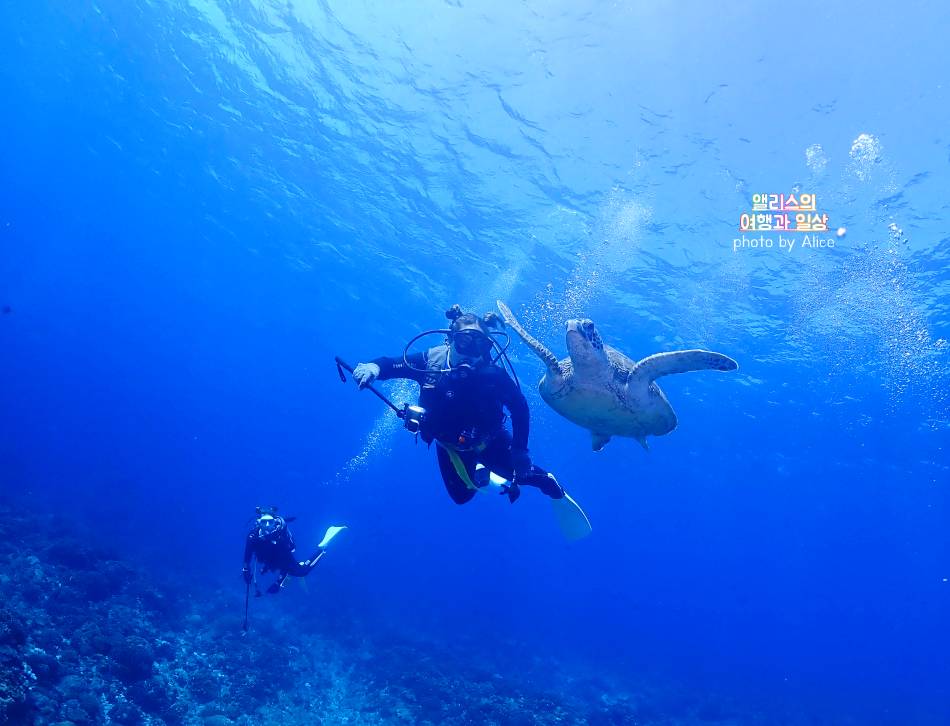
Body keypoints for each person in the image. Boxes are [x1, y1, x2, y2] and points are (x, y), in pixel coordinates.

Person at [352, 305, 565, 505]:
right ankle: (484, 472)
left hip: (489, 441)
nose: (471, 352)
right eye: (464, 342)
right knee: (461, 498)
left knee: (524, 476)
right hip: (449, 445)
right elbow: (390, 364)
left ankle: (548, 481)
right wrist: (373, 368)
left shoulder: (494, 376)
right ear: (451, 339)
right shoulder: (431, 362)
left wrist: (520, 451)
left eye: (480, 345)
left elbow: (520, 408)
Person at [242, 507, 324, 595]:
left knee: (302, 572)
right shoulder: (252, 537)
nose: (267, 525)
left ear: (274, 523)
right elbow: (247, 556)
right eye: (263, 522)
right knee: (267, 562)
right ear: (258, 523)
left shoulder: (280, 539)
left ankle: (323, 549)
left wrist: (278, 583)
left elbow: (285, 563)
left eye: (270, 522)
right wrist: (245, 570)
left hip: (281, 557)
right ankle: (269, 568)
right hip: (269, 557)